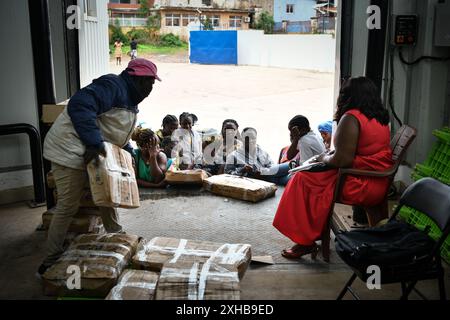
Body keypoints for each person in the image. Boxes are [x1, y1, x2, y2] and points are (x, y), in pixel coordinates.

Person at [38, 58, 161, 275]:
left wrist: (128, 153)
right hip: (68, 148)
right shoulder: (112, 85)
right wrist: (94, 143)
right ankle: (51, 258)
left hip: (92, 150)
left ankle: (117, 237)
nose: (150, 88)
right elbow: (80, 104)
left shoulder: (130, 98)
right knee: (68, 204)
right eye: (147, 82)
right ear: (134, 78)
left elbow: (114, 129)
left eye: (152, 83)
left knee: (107, 195)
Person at [273, 77, 393, 259]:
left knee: (302, 180)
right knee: (308, 177)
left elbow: (342, 160)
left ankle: (305, 241)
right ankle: (309, 237)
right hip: (377, 181)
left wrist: (322, 157)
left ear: (349, 96)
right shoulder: (380, 118)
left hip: (359, 183)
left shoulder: (352, 118)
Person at [225, 128, 291, 185]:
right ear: (242, 139)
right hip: (254, 180)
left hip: (268, 177)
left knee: (291, 179)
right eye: (247, 138)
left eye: (253, 138)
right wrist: (243, 170)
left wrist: (262, 171)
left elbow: (271, 165)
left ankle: (296, 167)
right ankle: (295, 165)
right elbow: (227, 176)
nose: (250, 141)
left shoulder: (261, 151)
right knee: (290, 170)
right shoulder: (233, 156)